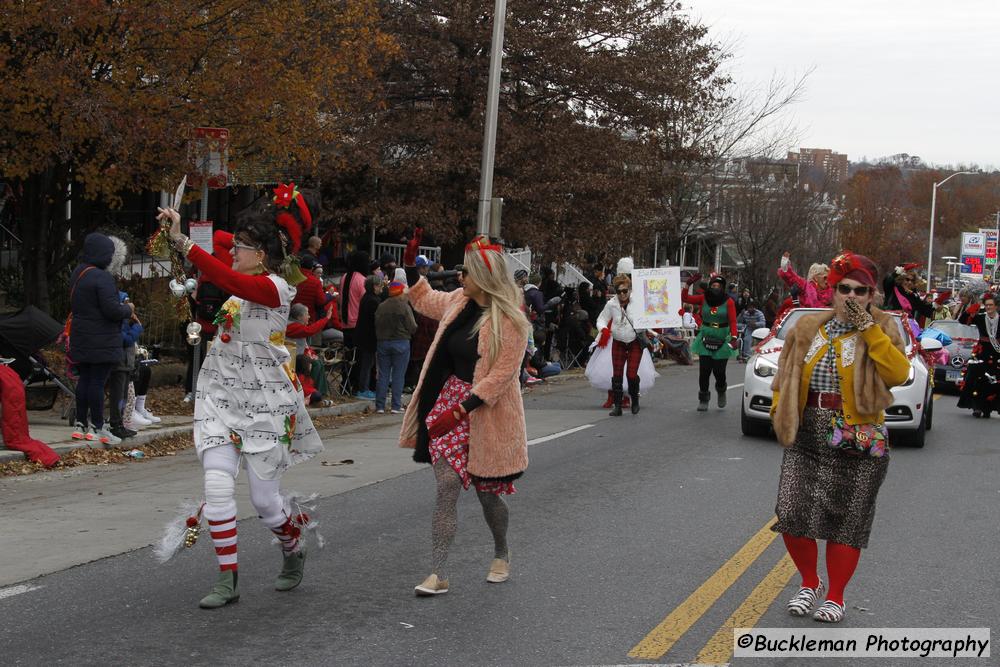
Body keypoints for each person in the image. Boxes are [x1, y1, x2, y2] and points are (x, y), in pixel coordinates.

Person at [158, 184, 324, 609]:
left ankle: (292, 547)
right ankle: (227, 578)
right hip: (220, 398)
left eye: (243, 247)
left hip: (265, 405)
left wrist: (186, 246)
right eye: (235, 246)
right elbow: (222, 260)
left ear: (263, 255)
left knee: (265, 502)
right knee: (216, 488)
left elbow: (226, 273)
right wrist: (177, 234)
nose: (233, 252)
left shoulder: (275, 289)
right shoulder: (238, 288)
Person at [769, 251, 909, 624]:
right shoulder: (807, 328)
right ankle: (810, 582)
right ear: (831, 291)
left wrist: (869, 329)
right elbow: (784, 377)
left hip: (858, 436)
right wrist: (779, 413)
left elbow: (898, 373)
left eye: (860, 290)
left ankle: (836, 595)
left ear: (871, 295)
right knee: (792, 512)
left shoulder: (884, 328)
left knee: (846, 519)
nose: (851, 296)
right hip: (807, 434)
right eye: (843, 288)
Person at [399, 234, 530, 596]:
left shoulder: (512, 320)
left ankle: (501, 552)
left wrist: (461, 411)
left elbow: (502, 377)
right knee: (446, 487)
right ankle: (437, 573)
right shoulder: (458, 302)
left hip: (486, 413)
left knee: (488, 495)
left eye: (467, 274)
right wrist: (412, 266)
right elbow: (424, 299)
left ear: (485, 278)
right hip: (449, 403)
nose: (460, 279)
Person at [68, 233, 135, 445]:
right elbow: (112, 310)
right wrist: (128, 309)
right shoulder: (102, 277)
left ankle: (80, 424)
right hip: (102, 339)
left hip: (81, 337)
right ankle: (97, 427)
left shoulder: (78, 273)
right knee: (97, 382)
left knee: (85, 381)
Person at [592, 274, 655, 415]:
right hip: (618, 341)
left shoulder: (639, 302)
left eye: (625, 291)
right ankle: (618, 406)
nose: (622, 294)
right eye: (619, 291)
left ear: (629, 290)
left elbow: (652, 315)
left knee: (631, 374)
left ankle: (635, 400)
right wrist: (604, 329)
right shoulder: (611, 305)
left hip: (634, 342)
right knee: (617, 374)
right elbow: (601, 320)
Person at [683, 274, 739, 411]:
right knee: (704, 371)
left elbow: (732, 321)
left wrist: (734, 337)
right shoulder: (704, 298)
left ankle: (721, 389)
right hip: (705, 336)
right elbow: (685, 298)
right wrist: (687, 284)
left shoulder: (728, 301)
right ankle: (703, 399)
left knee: (719, 371)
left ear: (723, 288)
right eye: (713, 286)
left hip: (722, 337)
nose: (715, 288)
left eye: (718, 286)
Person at [375, 281, 417, 413]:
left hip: (383, 342)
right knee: (399, 375)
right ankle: (395, 406)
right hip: (401, 342)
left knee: (383, 374)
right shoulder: (404, 306)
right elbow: (412, 326)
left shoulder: (381, 306)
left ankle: (380, 406)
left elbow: (376, 324)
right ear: (400, 293)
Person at [957, 293, 1000, 418]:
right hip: (982, 352)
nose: (988, 307)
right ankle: (977, 407)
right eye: (986, 305)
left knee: (993, 380)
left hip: (997, 352)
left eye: (991, 305)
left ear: (996, 306)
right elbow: (962, 320)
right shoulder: (980, 317)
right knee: (975, 378)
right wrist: (974, 306)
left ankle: (989, 407)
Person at [353, 275, 383, 400]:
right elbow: (375, 320)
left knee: (367, 363)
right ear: (374, 286)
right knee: (367, 364)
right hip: (369, 337)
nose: (382, 288)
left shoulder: (368, 298)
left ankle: (364, 388)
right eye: (380, 285)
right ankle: (363, 389)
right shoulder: (372, 301)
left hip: (364, 336)